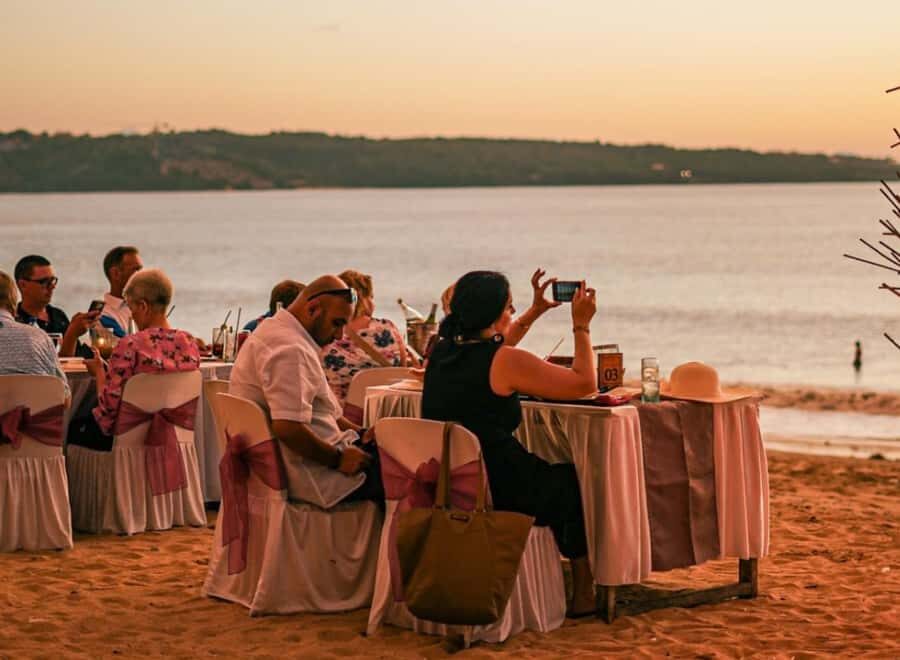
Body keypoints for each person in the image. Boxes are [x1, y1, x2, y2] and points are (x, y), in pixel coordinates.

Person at [422, 270, 598, 616]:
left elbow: (499, 347)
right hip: (500, 483)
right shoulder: (503, 361)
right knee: (570, 483)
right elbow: (584, 384)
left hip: (453, 478)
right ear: (492, 313)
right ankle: (584, 593)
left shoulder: (441, 353)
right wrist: (581, 326)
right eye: (509, 306)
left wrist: (535, 311)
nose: (513, 311)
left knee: (550, 474)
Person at [229, 274, 383, 508]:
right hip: (314, 475)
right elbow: (288, 428)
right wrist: (338, 459)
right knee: (413, 476)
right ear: (313, 309)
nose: (340, 336)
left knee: (396, 453)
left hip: (310, 460)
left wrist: (361, 434)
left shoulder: (273, 331)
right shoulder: (290, 350)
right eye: (337, 323)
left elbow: (324, 413)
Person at [67, 269, 200, 451]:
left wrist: (99, 373)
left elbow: (107, 417)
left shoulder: (130, 346)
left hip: (131, 445)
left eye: (131, 307)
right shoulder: (189, 343)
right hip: (176, 439)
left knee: (72, 429)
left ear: (143, 306)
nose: (131, 314)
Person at [321, 269, 409, 405]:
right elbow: (402, 372)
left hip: (343, 417)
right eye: (371, 297)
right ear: (364, 299)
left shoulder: (328, 334)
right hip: (387, 412)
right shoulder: (388, 328)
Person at [0, 270, 69, 398]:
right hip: (33, 416)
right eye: (43, 282)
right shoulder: (40, 337)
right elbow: (64, 396)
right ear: (12, 300)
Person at [14, 254, 98, 358]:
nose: (52, 287)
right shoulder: (15, 322)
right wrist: (71, 335)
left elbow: (76, 361)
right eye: (44, 282)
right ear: (23, 285)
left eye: (53, 281)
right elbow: (53, 367)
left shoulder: (58, 316)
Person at [98, 246, 143, 337]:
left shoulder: (144, 307)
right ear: (115, 273)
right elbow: (127, 347)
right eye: (136, 270)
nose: (143, 275)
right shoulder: (103, 315)